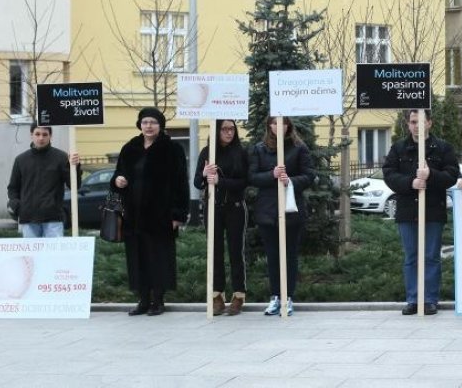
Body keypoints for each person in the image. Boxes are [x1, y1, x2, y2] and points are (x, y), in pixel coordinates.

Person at [111, 107, 189, 317]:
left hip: (160, 215)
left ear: (160, 125)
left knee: (158, 257)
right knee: (137, 258)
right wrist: (117, 180)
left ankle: (158, 300)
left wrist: (178, 215)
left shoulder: (172, 149)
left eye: (153, 122)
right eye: (145, 122)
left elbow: (181, 183)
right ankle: (143, 300)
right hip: (133, 215)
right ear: (140, 125)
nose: (149, 126)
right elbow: (118, 175)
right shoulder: (130, 148)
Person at [383, 109, 460, 316]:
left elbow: (452, 175)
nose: (417, 125)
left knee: (431, 256)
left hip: (433, 210)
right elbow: (389, 174)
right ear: (408, 124)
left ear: (430, 123)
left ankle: (429, 300)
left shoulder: (442, 148)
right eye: (413, 121)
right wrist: (411, 182)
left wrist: (431, 175)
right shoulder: (399, 148)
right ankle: (413, 299)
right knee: (411, 256)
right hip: (408, 211)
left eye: (421, 121)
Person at [249, 116, 314, 317]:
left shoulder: (299, 147)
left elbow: (310, 175)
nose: (279, 126)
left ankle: (288, 297)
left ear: (288, 126)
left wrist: (289, 180)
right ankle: (275, 296)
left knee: (290, 255)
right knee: (273, 256)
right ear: (270, 125)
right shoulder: (259, 148)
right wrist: (272, 174)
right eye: (275, 123)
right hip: (267, 211)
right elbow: (252, 177)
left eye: (283, 123)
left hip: (291, 210)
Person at [193, 119, 249, 316]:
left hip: (234, 207)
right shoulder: (207, 152)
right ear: (216, 131)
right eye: (224, 129)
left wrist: (220, 181)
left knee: (236, 251)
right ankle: (217, 296)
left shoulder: (240, 152)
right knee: (214, 251)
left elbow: (244, 182)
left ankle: (238, 295)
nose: (229, 132)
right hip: (213, 207)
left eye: (232, 129)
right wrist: (204, 174)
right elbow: (197, 183)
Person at [7, 124, 81, 238]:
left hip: (53, 219)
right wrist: (17, 206)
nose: (41, 138)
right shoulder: (21, 160)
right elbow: (13, 188)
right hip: (28, 219)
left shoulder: (61, 157)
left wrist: (75, 167)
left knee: (54, 255)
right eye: (37, 134)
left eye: (45, 134)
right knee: (31, 255)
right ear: (31, 135)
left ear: (50, 136)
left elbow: (74, 185)